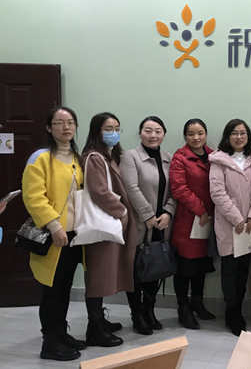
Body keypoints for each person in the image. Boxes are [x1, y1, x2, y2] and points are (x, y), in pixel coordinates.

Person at [22, 107, 85, 361]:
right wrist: (54, 225)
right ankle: (49, 343)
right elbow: (33, 197)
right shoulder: (40, 158)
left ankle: (61, 333)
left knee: (64, 287)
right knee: (51, 290)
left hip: (74, 235)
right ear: (49, 128)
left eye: (70, 122)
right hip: (53, 235)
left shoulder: (77, 158)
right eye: (59, 123)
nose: (66, 127)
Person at [82, 112, 137, 348]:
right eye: (108, 128)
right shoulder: (94, 157)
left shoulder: (110, 155)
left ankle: (99, 321)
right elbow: (99, 192)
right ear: (97, 131)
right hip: (103, 223)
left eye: (117, 128)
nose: (113, 133)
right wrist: (121, 211)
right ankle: (94, 328)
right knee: (98, 276)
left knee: (105, 274)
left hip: (111, 223)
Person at [121, 116, 177, 335]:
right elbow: (131, 188)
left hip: (161, 224)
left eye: (158, 131)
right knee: (136, 270)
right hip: (139, 224)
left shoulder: (169, 158)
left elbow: (175, 191)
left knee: (156, 267)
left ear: (164, 134)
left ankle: (149, 310)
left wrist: (168, 213)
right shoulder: (130, 156)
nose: (153, 135)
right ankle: (137, 314)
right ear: (140, 133)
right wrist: (148, 215)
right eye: (148, 130)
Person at [209, 119, 251, 336]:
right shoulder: (218, 161)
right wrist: (237, 219)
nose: (239, 137)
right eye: (234, 133)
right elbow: (217, 193)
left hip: (249, 227)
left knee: (243, 272)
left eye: (242, 133)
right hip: (229, 226)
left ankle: (239, 311)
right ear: (227, 137)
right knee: (229, 272)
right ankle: (232, 314)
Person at [169, 118, 216, 330]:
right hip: (188, 221)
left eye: (200, 133)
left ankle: (198, 303)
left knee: (201, 266)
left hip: (209, 221)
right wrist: (201, 210)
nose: (196, 137)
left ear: (205, 134)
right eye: (191, 134)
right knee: (185, 267)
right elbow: (179, 189)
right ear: (185, 136)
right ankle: (183, 308)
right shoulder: (180, 157)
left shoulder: (214, 156)